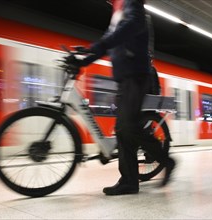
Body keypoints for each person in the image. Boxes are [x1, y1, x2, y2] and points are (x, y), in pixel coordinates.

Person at [70, 0, 175, 195]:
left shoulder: (131, 4)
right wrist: (83, 60)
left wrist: (98, 46)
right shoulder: (118, 11)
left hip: (136, 76)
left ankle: (160, 164)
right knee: (124, 130)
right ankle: (131, 180)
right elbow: (108, 44)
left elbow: (131, 26)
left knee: (126, 127)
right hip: (124, 78)